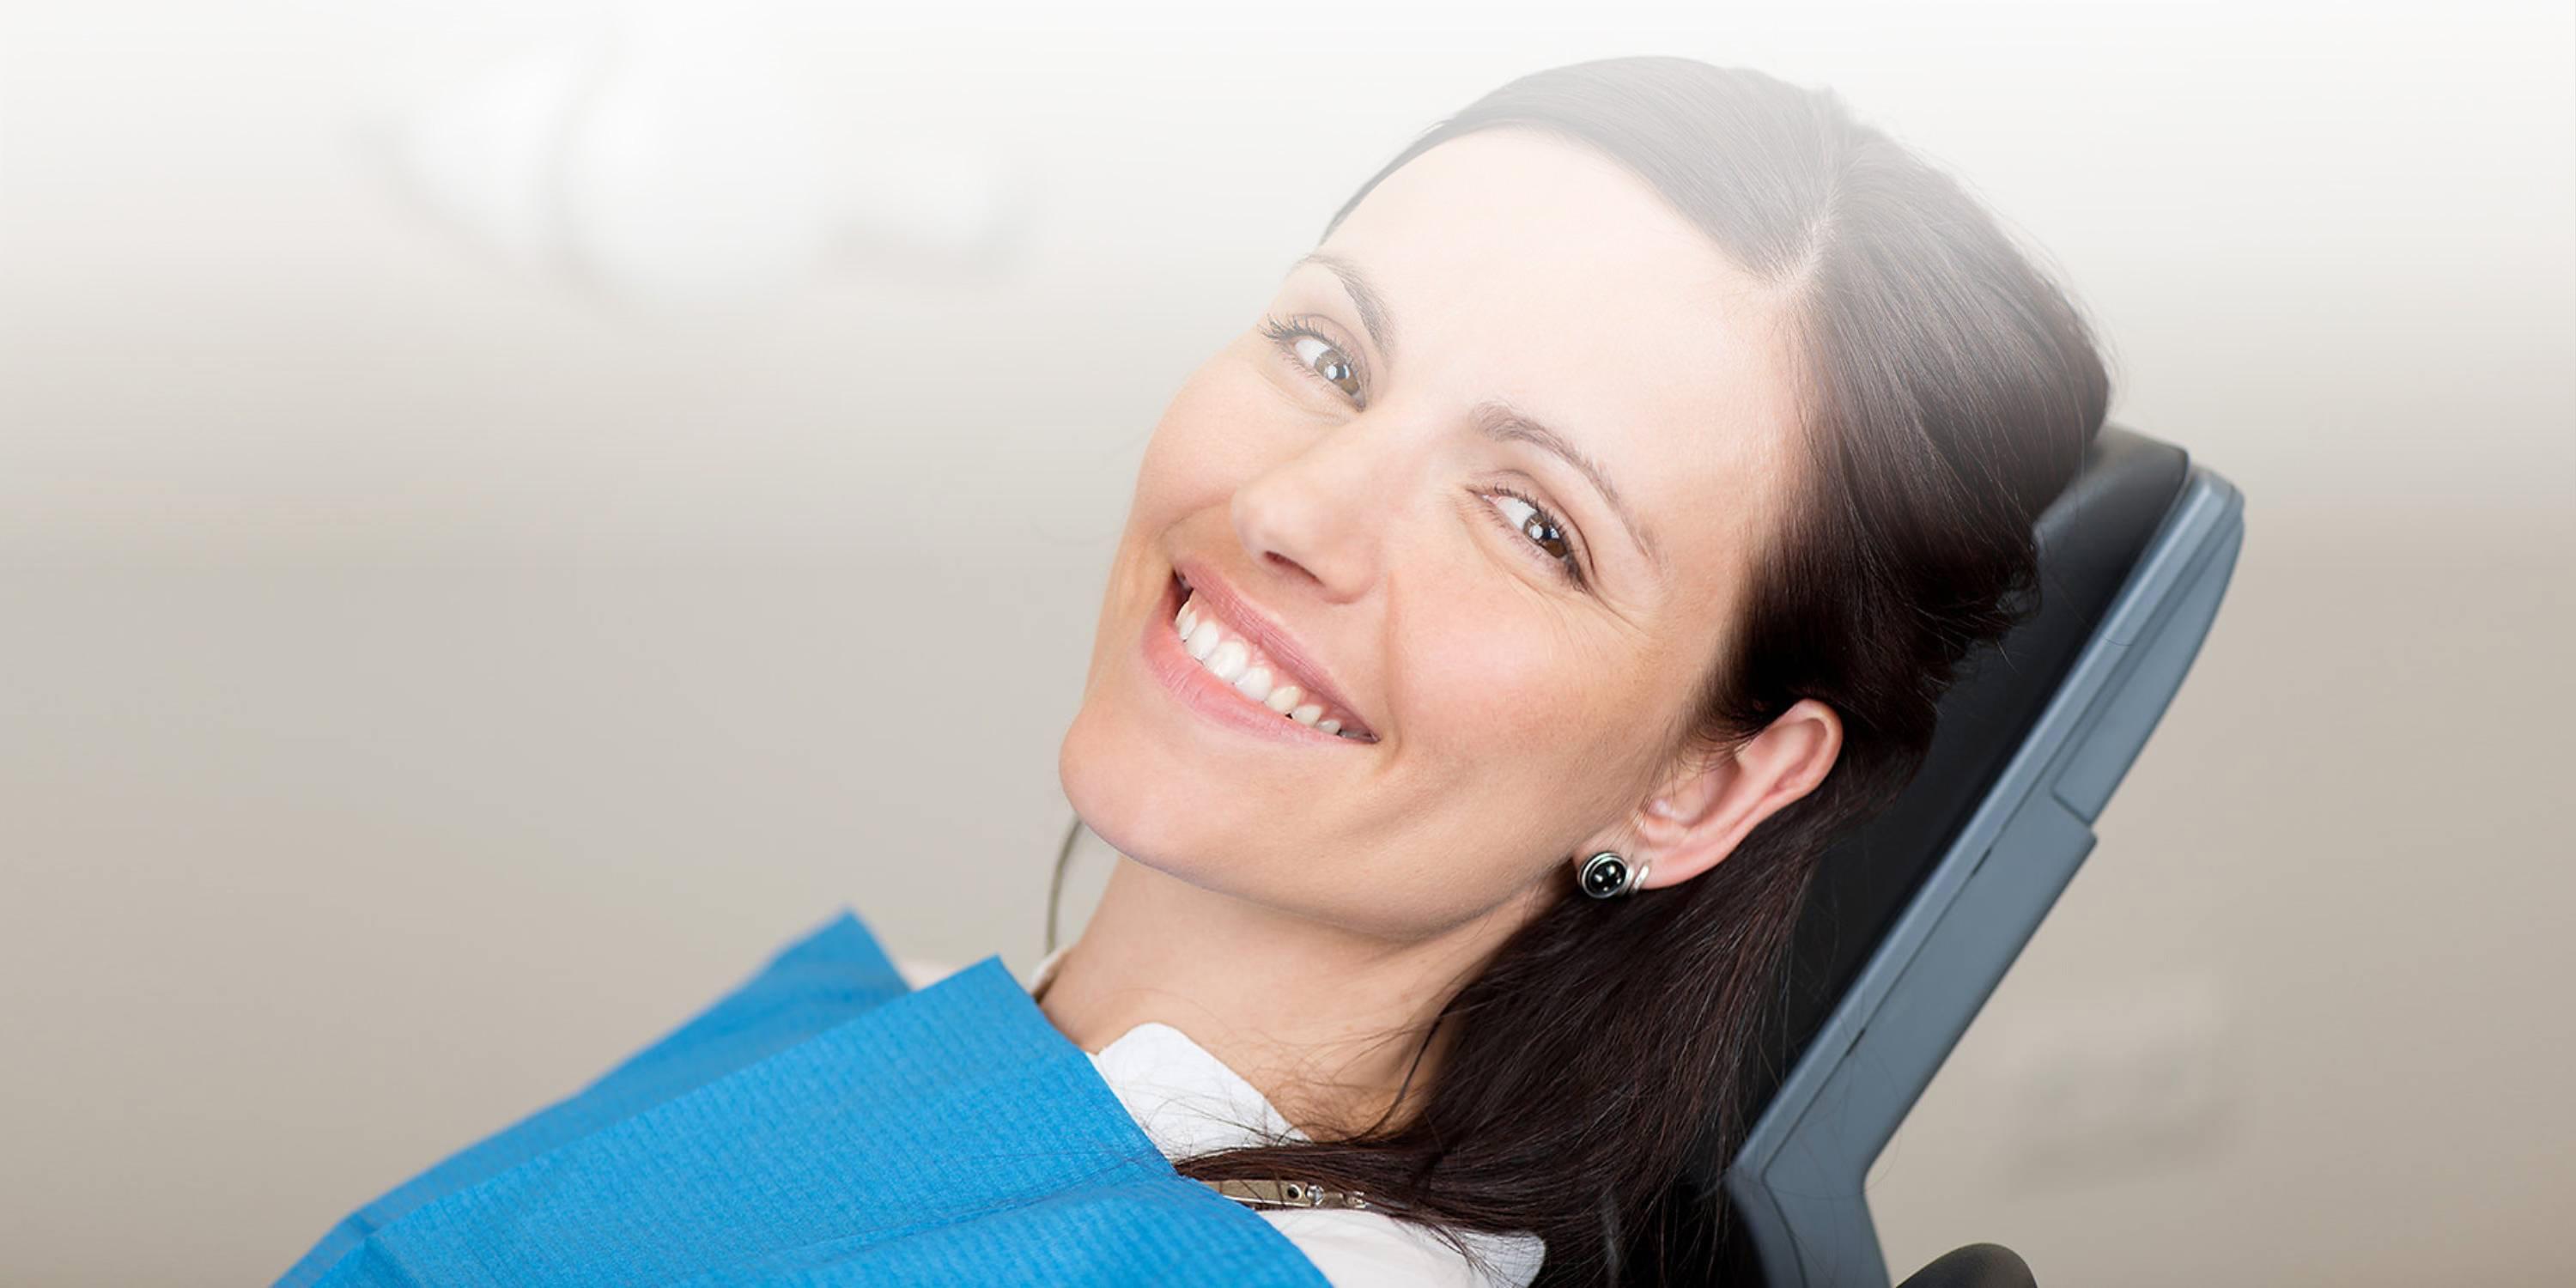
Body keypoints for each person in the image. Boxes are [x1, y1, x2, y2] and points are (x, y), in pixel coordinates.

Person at [279, 55, 2105, 1288]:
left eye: (1534, 520)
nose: (1299, 505)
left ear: (1703, 782)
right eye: (1328, 351)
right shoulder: (917, 1016)